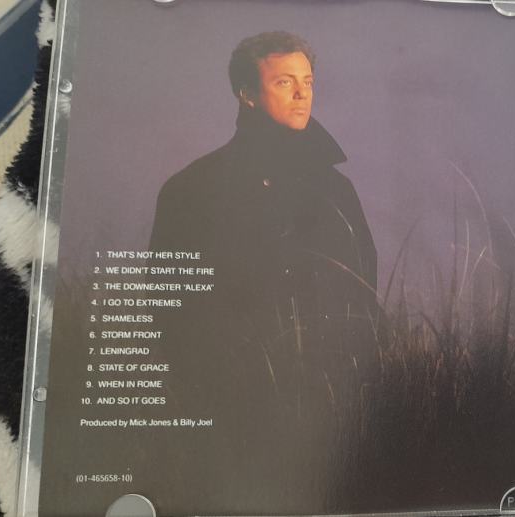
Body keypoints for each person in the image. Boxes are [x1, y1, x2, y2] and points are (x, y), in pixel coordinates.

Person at [143, 32, 382, 512]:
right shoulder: (193, 188)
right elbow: (167, 307)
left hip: (328, 418)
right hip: (227, 417)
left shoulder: (337, 191)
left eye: (308, 81)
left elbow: (363, 291)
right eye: (284, 82)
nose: (301, 94)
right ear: (247, 94)